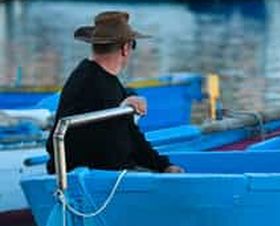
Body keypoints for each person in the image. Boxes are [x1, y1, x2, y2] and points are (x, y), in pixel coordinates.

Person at [45, 11, 184, 174]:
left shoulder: (93, 76)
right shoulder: (95, 84)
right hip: (95, 177)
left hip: (88, 171)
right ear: (125, 48)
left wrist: (163, 165)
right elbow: (114, 148)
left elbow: (129, 135)